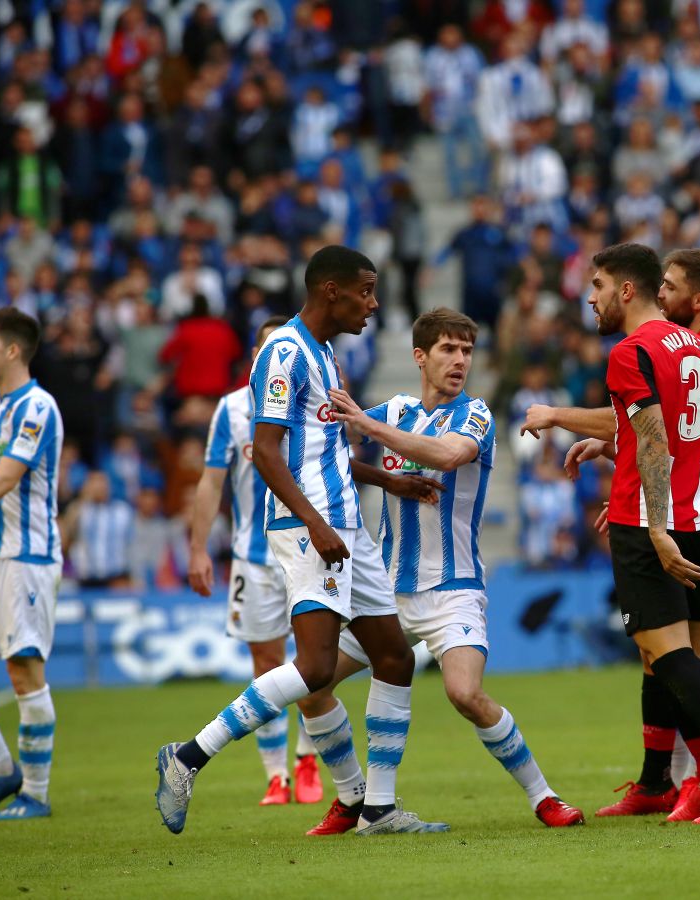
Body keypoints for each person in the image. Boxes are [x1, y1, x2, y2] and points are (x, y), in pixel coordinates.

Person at [154, 245, 447, 836]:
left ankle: (378, 809)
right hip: (312, 529)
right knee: (314, 668)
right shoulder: (285, 351)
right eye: (365, 290)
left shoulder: (323, 354)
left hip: (346, 527)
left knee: (393, 657)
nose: (373, 303)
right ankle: (187, 757)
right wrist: (314, 521)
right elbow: (265, 453)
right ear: (331, 290)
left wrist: (388, 479)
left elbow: (328, 452)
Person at [548, 242, 700, 823]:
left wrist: (655, 524)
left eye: (599, 285)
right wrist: (687, 506)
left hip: (648, 525)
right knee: (671, 659)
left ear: (626, 289)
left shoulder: (631, 353)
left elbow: (655, 438)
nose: (591, 298)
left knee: (672, 657)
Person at [324, 308, 585, 828]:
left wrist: (367, 425)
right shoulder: (395, 408)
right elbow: (327, 444)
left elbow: (446, 456)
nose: (460, 360)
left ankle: (543, 797)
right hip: (384, 592)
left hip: (453, 588)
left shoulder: (477, 416)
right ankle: (355, 796)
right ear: (419, 356)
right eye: (448, 349)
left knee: (465, 693)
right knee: (312, 684)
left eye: (467, 350)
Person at [187, 315, 325, 808]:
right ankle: (276, 775)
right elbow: (211, 481)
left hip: (308, 549)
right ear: (255, 358)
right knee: (266, 662)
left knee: (314, 663)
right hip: (253, 555)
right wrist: (199, 546)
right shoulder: (231, 409)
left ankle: (308, 759)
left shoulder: (313, 402)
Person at [0, 310, 63, 820]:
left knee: (23, 672)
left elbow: (7, 476)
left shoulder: (36, 407)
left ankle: (35, 793)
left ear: (12, 350)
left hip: (26, 556)